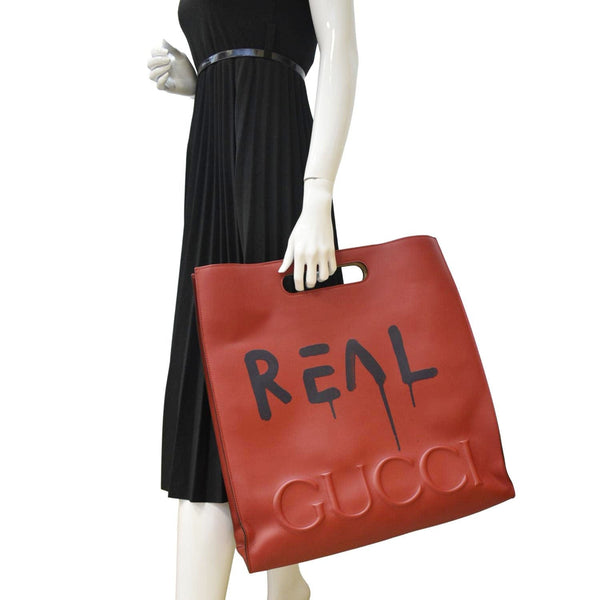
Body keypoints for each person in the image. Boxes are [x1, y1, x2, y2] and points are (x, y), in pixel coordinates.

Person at [147, 1, 358, 598]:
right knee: (209, 383)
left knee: (285, 381)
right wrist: (205, 79)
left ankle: (286, 584)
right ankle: (286, 587)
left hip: (281, 161)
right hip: (212, 163)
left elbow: (341, 55)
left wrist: (318, 195)